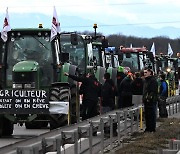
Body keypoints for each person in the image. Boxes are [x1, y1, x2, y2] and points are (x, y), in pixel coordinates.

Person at [143, 68, 158, 132]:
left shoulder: (153, 81)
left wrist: (149, 98)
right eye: (144, 72)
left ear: (150, 73)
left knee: (151, 114)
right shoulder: (146, 81)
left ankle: (152, 128)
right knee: (147, 115)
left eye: (146, 72)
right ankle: (148, 128)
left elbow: (153, 91)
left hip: (151, 101)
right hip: (146, 100)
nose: (144, 74)